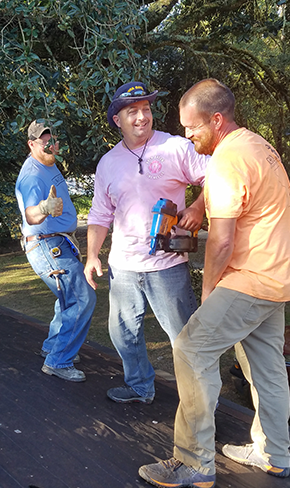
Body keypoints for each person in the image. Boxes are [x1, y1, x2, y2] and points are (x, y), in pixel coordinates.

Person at [138, 78, 290, 487]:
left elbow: (223, 238)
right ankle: (273, 454)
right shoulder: (255, 144)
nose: (187, 134)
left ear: (216, 119)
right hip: (281, 275)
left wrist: (209, 291)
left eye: (191, 127)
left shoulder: (227, 161)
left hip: (251, 278)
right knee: (265, 366)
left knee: (192, 348)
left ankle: (194, 462)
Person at [84, 81, 209, 404]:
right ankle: (140, 386)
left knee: (185, 338)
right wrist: (92, 256)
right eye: (133, 111)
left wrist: (197, 207)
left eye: (146, 109)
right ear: (117, 120)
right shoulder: (108, 163)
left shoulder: (176, 148)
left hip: (167, 266)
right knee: (122, 334)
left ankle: (201, 404)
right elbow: (99, 215)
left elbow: (217, 175)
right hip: (123, 267)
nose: (142, 117)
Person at [15, 119, 96, 383]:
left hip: (57, 242)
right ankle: (59, 360)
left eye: (53, 139)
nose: (51, 144)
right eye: (44, 140)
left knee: (69, 297)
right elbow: (30, 214)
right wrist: (43, 209)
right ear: (31, 144)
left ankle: (53, 346)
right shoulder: (32, 175)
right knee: (82, 299)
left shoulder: (49, 163)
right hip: (47, 244)